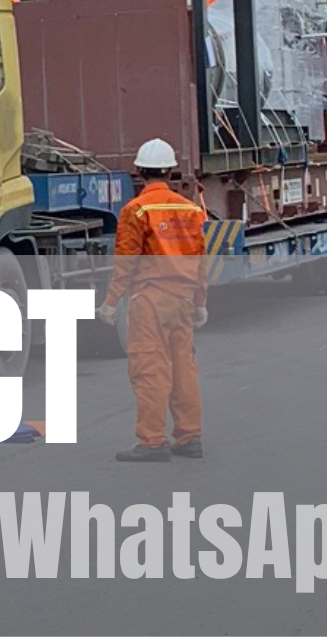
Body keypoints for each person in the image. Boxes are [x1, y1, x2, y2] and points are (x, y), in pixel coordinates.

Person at [99, 137, 209, 462]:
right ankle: (190, 437)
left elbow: (126, 261)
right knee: (184, 368)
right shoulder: (191, 211)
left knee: (150, 369)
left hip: (150, 300)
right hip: (183, 299)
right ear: (171, 172)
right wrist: (200, 302)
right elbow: (200, 261)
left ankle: (152, 442)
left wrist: (110, 302)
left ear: (139, 171)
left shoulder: (136, 210)